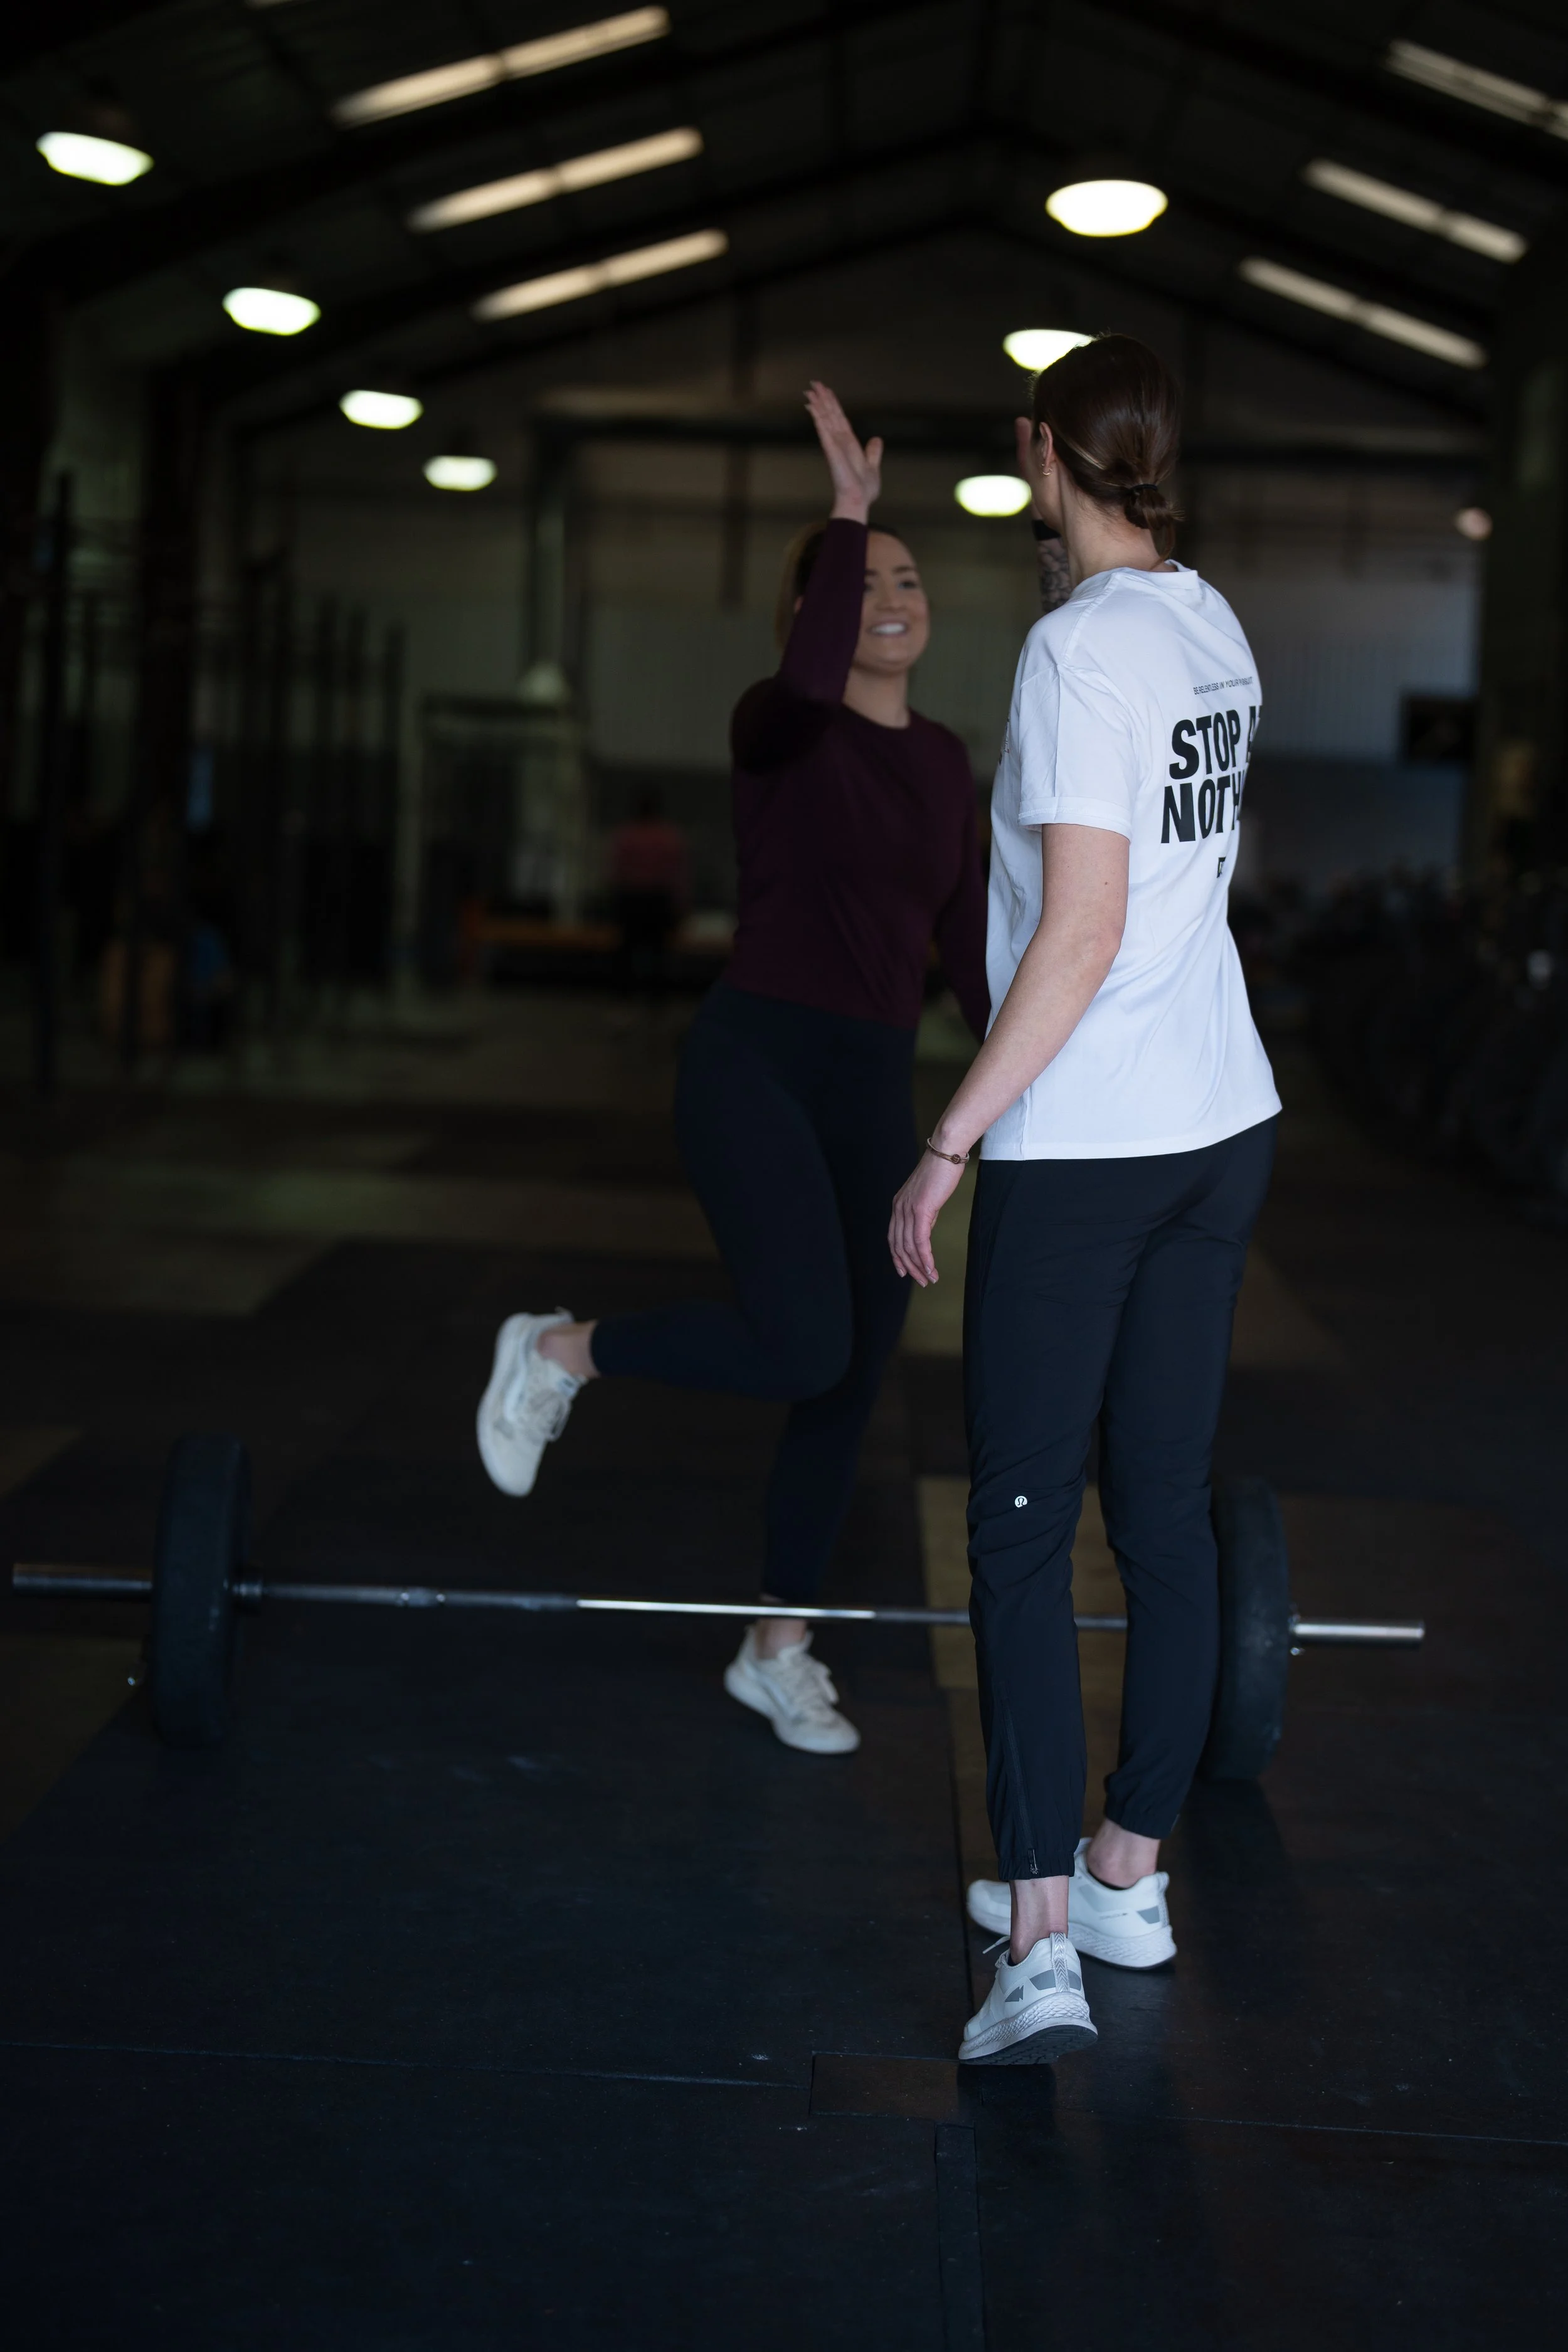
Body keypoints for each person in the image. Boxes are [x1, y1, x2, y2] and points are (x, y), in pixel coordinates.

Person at [477, 382, 988, 1755]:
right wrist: (842, 514)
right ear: (811, 616)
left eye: (904, 575)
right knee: (799, 1343)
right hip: (754, 1063)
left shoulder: (945, 765)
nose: (890, 591)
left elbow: (962, 948)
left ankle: (776, 1646)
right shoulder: (780, 727)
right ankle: (557, 1351)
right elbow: (815, 661)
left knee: (846, 1381)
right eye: (857, 581)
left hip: (870, 1093)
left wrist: (1016, 1093)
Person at [887, 334, 1280, 2065]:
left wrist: (950, 1135)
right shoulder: (1211, 624)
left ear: (1047, 457)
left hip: (1092, 1140)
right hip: (1220, 1118)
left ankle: (1036, 1935)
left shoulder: (1073, 650)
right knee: (1165, 1506)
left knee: (1024, 1527)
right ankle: (1125, 1864)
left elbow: (1081, 930)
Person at [608, 791, 690, 1007]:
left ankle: (624, 999)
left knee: (627, 952)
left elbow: (618, 872)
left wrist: (615, 900)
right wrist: (680, 904)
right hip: (657, 899)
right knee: (658, 952)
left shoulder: (626, 835)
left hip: (632, 898)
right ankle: (656, 1002)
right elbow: (677, 875)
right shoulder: (668, 836)